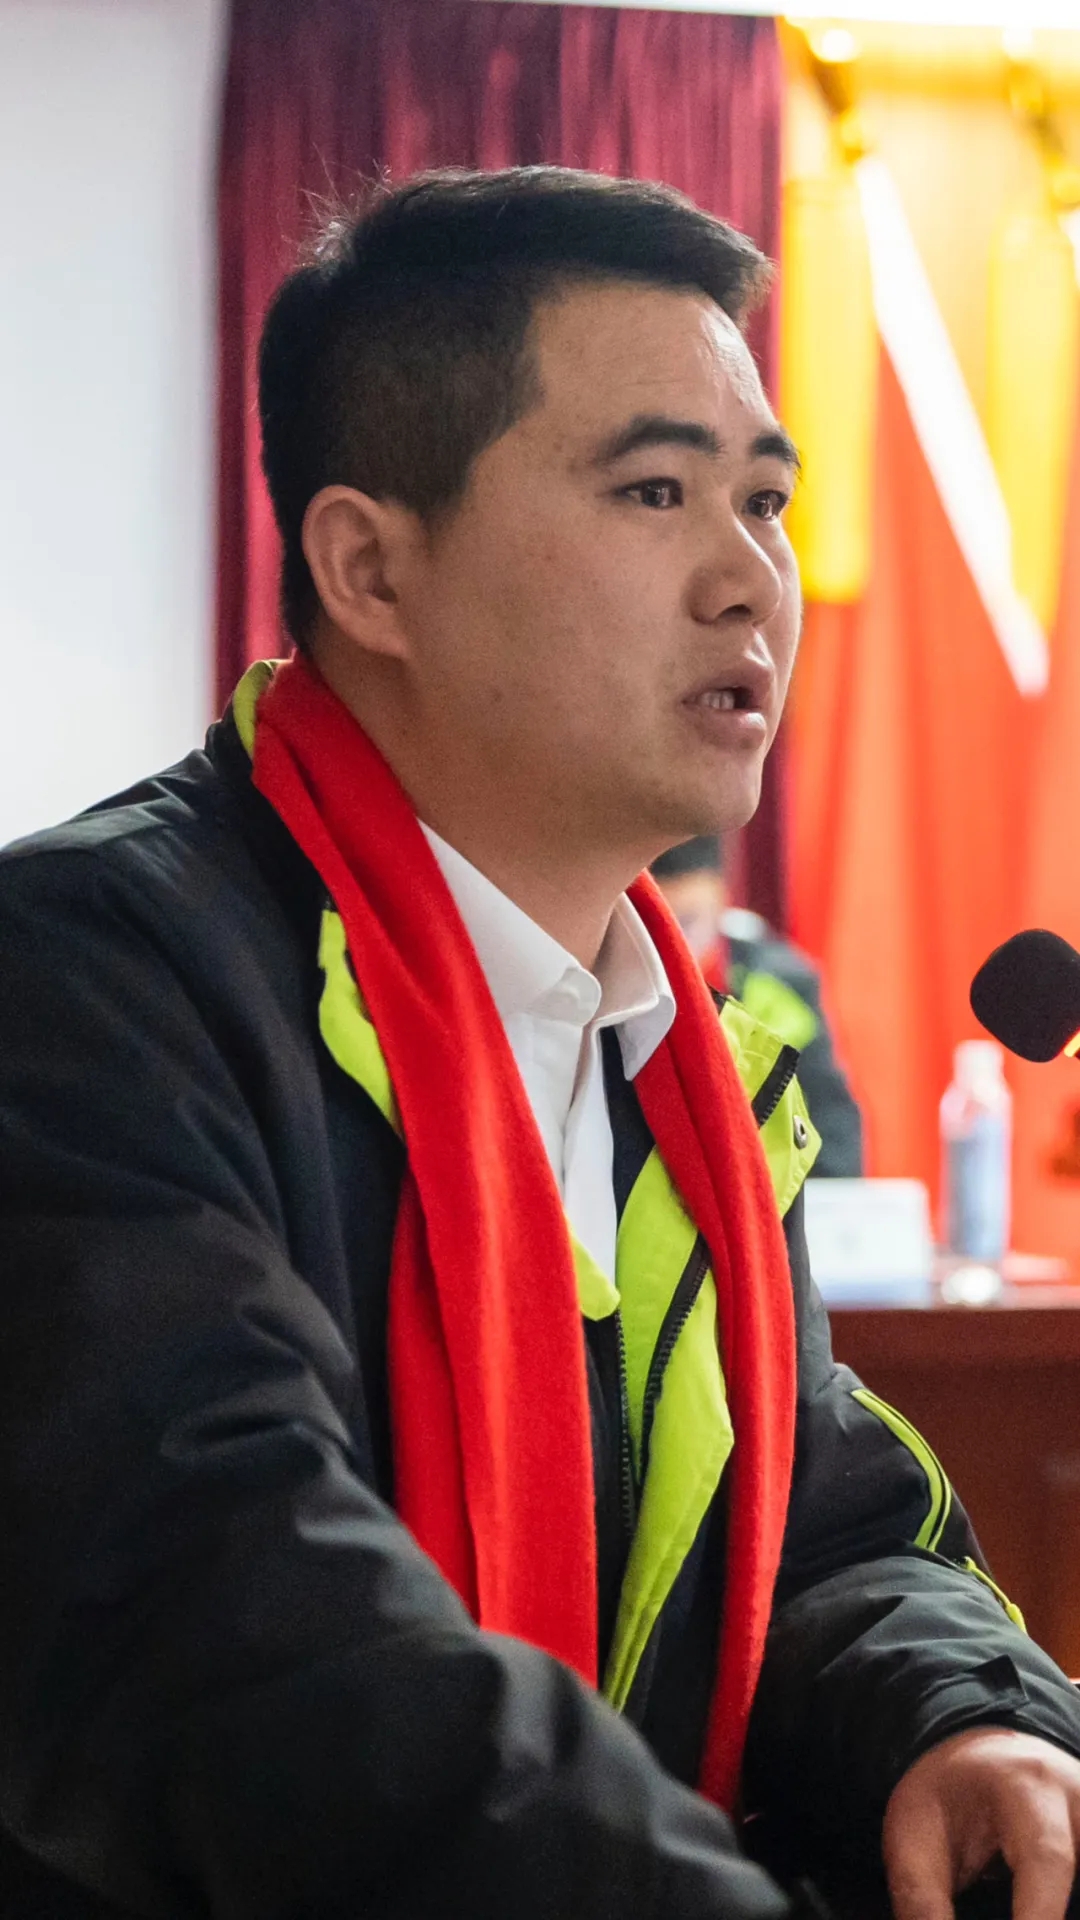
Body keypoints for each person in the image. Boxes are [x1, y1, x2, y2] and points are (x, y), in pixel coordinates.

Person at [1, 168, 1079, 1920]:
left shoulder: (694, 1070)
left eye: (767, 500)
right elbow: (233, 1625)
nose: (753, 581)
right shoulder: (92, 984)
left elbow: (820, 1532)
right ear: (371, 567)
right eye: (655, 491)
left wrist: (965, 1722)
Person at [650, 835, 864, 1176]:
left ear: (723, 897)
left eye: (688, 922)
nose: (676, 944)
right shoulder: (617, 984)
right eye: (655, 925)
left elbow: (832, 1130)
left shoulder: (780, 987)